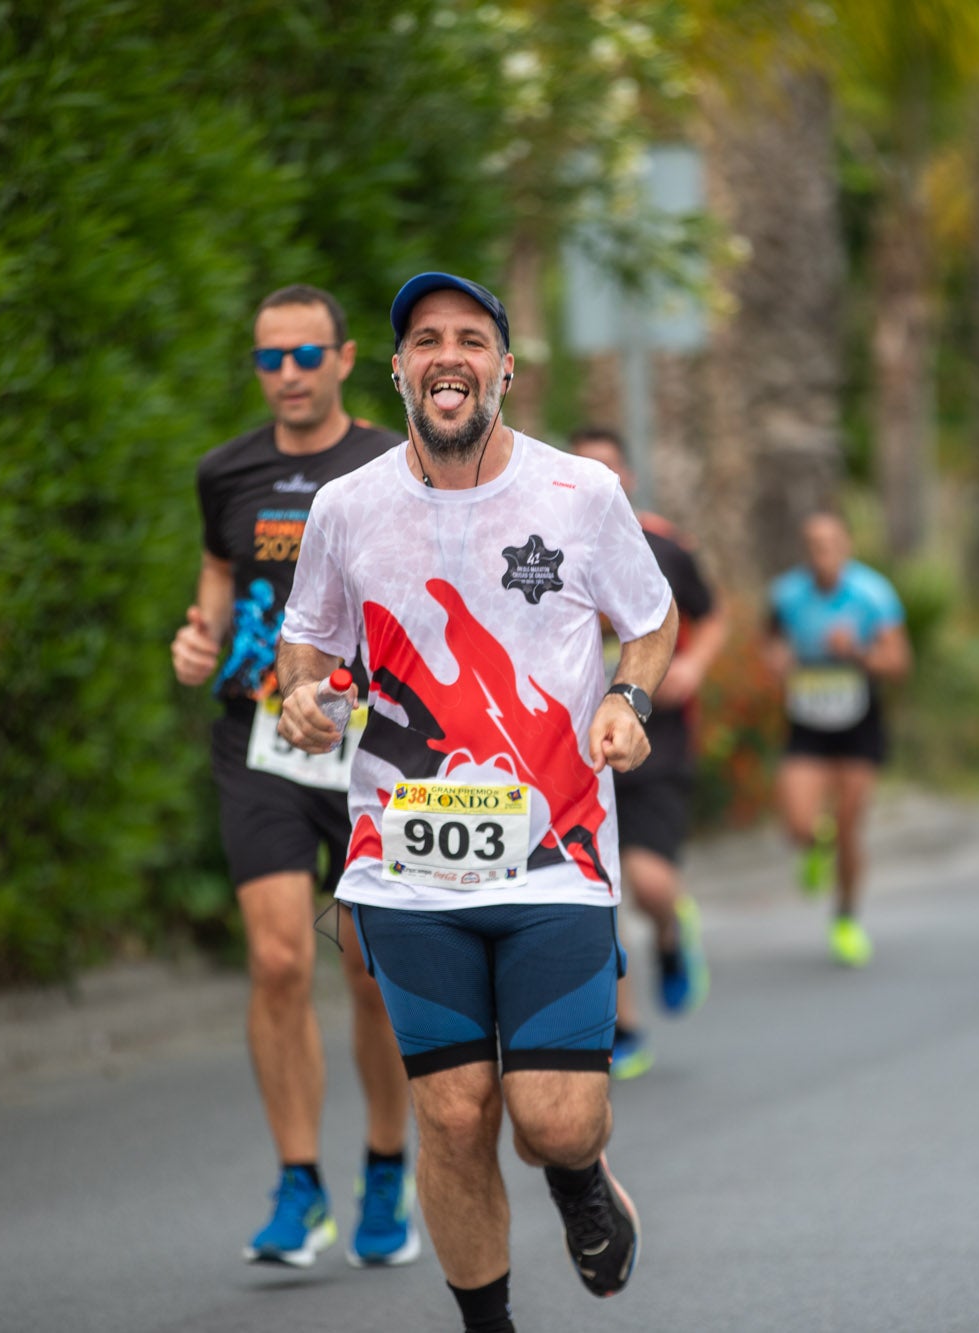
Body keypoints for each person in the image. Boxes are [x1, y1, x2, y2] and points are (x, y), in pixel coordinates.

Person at [275, 272, 680, 1333]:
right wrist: (305, 700)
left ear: (505, 369)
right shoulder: (345, 506)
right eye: (424, 338)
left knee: (550, 1118)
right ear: (399, 367)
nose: (446, 354)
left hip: (557, 854)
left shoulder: (578, 495)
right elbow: (303, 648)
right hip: (404, 869)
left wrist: (628, 699)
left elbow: (650, 618)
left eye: (469, 338)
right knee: (452, 1116)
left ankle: (577, 1174)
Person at [169, 284, 416, 1269]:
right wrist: (198, 643)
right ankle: (300, 1181)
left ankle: (388, 1165)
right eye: (269, 359)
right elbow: (218, 586)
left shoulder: (388, 468)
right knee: (278, 960)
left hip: (372, 748)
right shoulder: (224, 470)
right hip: (260, 737)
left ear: (346, 359)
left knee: (368, 974)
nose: (287, 375)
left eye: (305, 356)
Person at [569, 428, 723, 1079]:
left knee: (648, 881)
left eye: (607, 466)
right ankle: (622, 1024)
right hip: (573, 748)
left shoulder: (664, 544)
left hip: (656, 742)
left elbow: (710, 614)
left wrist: (693, 667)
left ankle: (668, 928)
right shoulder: (545, 541)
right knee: (597, 888)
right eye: (584, 468)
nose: (597, 479)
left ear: (627, 476)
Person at [766, 513, 912, 968]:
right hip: (807, 718)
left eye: (829, 542)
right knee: (797, 822)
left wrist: (858, 653)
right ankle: (814, 844)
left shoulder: (872, 594)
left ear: (846, 545)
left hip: (858, 718)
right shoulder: (787, 593)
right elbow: (769, 642)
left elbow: (899, 663)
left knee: (850, 827)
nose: (821, 551)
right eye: (812, 542)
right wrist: (778, 661)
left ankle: (846, 919)